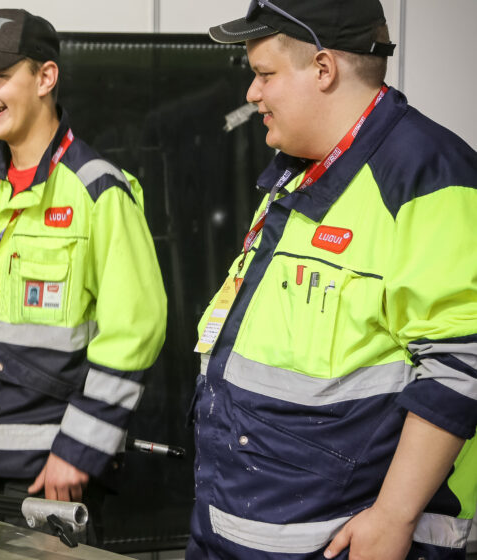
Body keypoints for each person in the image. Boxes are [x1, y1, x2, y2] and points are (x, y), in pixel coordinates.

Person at [191, 1, 477, 558]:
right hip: (237, 528)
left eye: (265, 74)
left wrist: (393, 516)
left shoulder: (430, 178)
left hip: (339, 545)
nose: (252, 94)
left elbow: (463, 360)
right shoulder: (298, 173)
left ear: (323, 69)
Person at [0, 9, 167, 544]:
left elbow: (133, 332)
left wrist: (78, 449)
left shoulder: (99, 190)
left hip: (49, 472)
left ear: (45, 77)